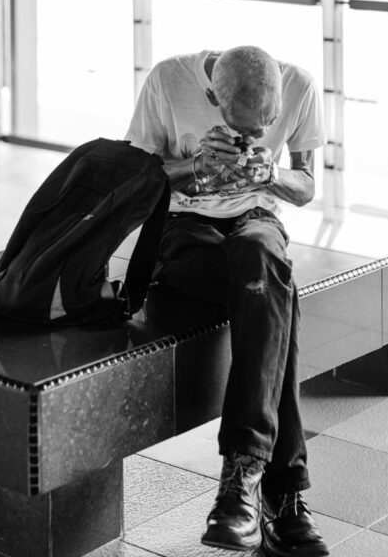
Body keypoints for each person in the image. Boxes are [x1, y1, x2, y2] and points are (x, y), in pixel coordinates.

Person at [125, 46, 329, 557]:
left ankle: (241, 485)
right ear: (213, 97)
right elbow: (138, 176)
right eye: (246, 128)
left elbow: (304, 186)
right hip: (183, 224)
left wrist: (269, 176)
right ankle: (282, 495)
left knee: (263, 259)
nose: (256, 138)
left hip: (257, 217)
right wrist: (195, 164)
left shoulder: (301, 85)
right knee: (271, 294)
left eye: (266, 127)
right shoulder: (168, 80)